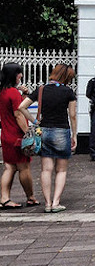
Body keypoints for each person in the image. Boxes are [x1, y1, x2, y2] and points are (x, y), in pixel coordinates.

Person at [18, 63, 77, 213]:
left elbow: (21, 107)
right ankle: (56, 202)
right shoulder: (68, 92)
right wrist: (74, 135)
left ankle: (47, 203)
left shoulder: (41, 89)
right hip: (61, 131)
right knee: (61, 170)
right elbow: (73, 115)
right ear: (66, 77)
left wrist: (34, 121)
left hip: (43, 130)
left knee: (46, 169)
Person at [0, 63, 39, 209]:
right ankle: (31, 197)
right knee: (24, 167)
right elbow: (18, 114)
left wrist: (23, 95)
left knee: (9, 167)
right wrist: (28, 133)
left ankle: (4, 198)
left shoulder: (3, 92)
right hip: (16, 135)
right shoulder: (13, 93)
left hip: (6, 134)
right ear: (13, 75)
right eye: (19, 73)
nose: (21, 76)